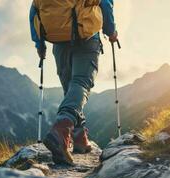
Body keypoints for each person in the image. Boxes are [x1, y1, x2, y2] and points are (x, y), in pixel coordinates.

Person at [29, 0, 118, 165]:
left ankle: (79, 138)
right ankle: (61, 130)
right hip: (87, 37)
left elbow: (34, 11)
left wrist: (39, 43)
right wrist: (110, 31)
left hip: (59, 41)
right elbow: (105, 2)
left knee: (71, 88)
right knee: (82, 82)